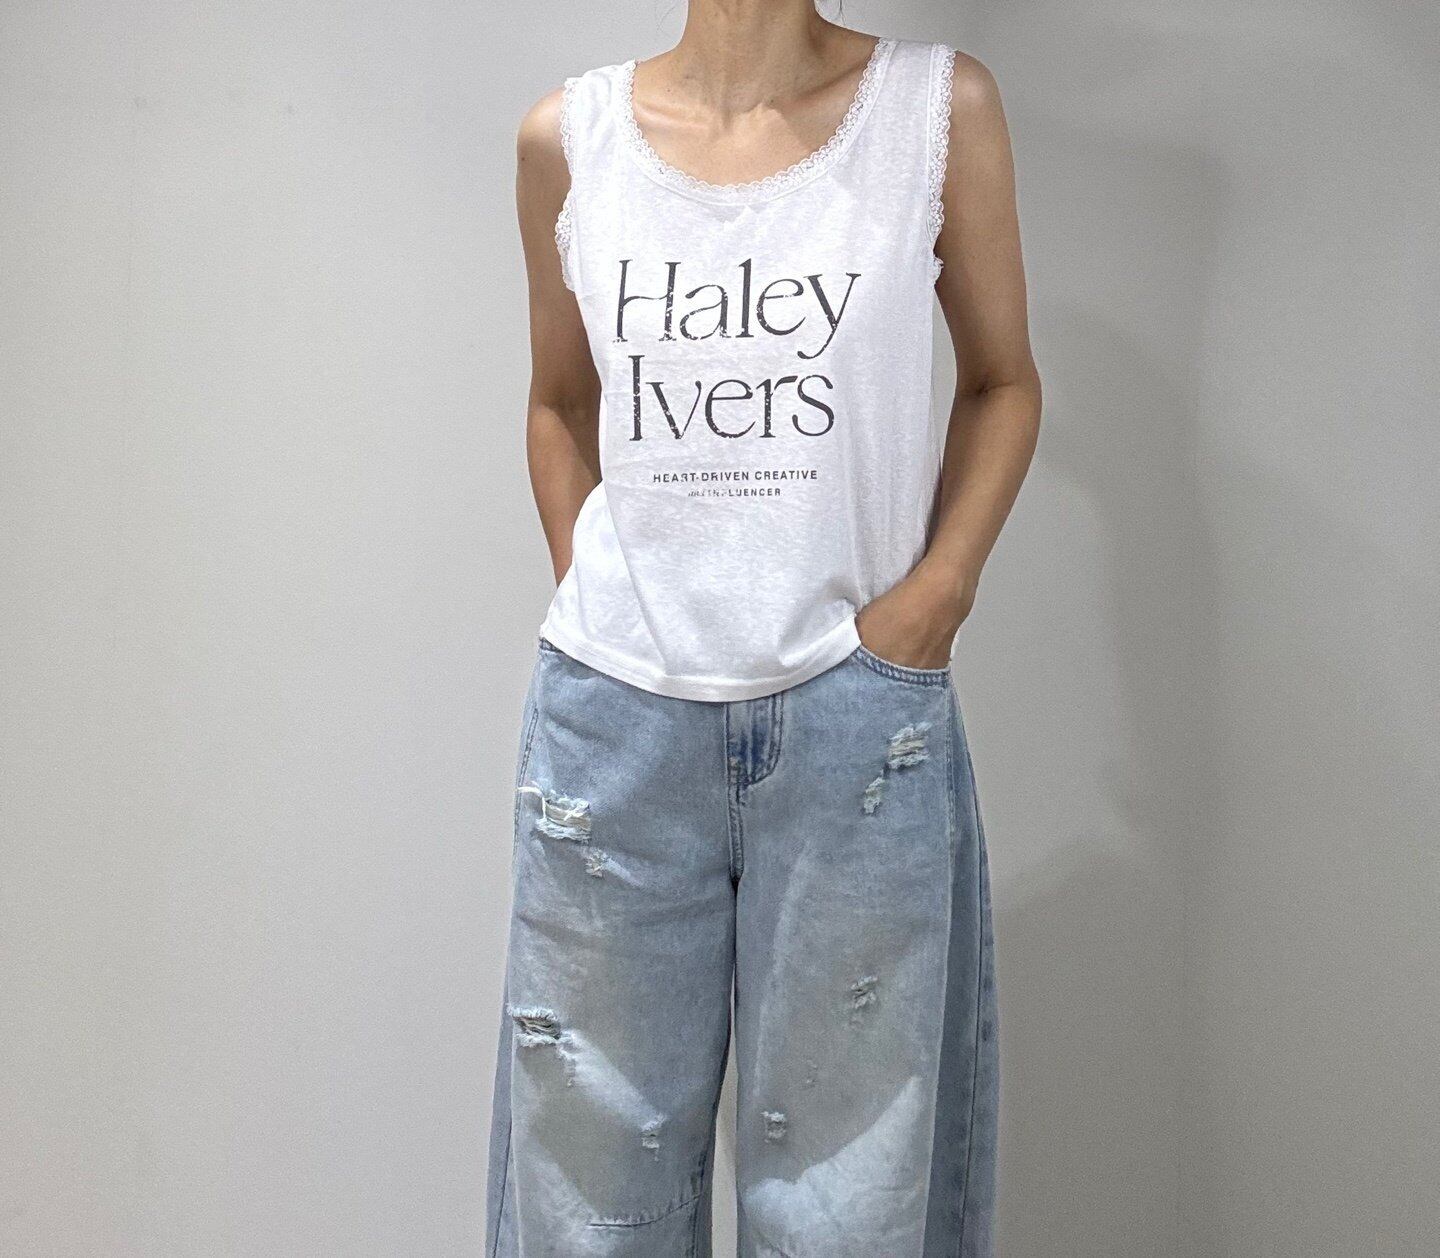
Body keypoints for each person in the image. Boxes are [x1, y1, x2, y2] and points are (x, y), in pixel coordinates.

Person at [488, 2, 1041, 1253]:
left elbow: (1003, 380)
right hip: (613, 736)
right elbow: (559, 403)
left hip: (855, 724)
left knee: (850, 1214)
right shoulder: (568, 140)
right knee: (590, 1208)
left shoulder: (935, 110)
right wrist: (604, 594)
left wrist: (934, 599)